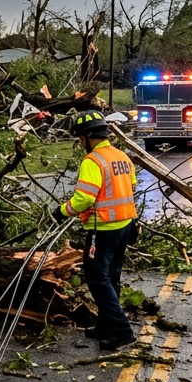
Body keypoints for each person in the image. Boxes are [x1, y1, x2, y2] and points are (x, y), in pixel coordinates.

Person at [51, 109, 139, 352]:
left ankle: (122, 331)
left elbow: (84, 199)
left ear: (90, 136)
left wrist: (61, 211)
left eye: (81, 138)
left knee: (97, 278)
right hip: (124, 225)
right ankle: (104, 326)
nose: (80, 143)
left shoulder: (93, 161)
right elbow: (130, 188)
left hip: (103, 228)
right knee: (112, 277)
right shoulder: (122, 156)